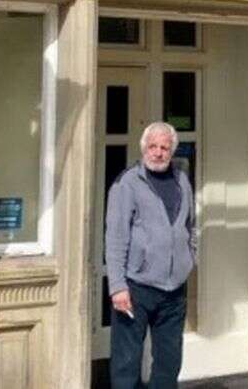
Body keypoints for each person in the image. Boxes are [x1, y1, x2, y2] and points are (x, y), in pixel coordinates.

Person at [105, 121, 196, 389]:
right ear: (144, 148)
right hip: (136, 287)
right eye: (153, 146)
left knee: (169, 362)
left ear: (172, 151)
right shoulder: (127, 183)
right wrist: (117, 286)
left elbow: (190, 225)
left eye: (164, 147)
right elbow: (115, 237)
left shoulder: (181, 180)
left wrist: (188, 258)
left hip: (174, 289)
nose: (158, 153)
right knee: (126, 363)